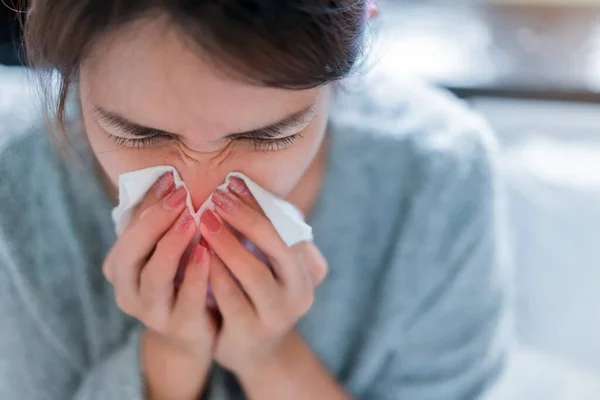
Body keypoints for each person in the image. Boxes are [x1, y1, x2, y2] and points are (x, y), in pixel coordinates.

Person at [0, 1, 511, 399]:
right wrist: (169, 359)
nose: (200, 196)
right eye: (138, 134)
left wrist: (272, 359)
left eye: (267, 137)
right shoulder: (16, 187)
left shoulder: (437, 177)